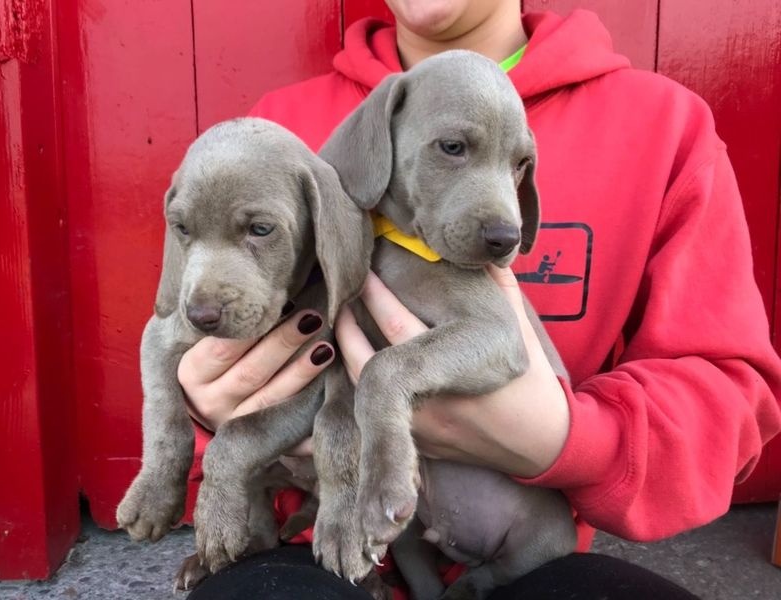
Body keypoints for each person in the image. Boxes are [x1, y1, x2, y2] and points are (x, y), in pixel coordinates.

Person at [177, 1, 781, 598]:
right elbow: (202, 331)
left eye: (517, 168)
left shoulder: (662, 125)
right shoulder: (278, 133)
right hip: (313, 543)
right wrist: (211, 406)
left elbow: (729, 396)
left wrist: (568, 439)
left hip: (526, 552)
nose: (508, 219)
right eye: (452, 149)